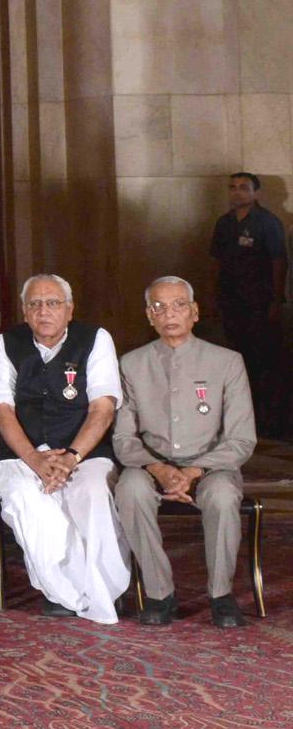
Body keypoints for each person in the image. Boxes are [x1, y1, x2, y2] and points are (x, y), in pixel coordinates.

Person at [0, 274, 127, 624]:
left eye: (53, 303)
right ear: (25, 312)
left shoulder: (96, 339)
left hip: (84, 453)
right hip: (24, 455)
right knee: (27, 498)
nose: (44, 311)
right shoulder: (6, 343)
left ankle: (104, 589)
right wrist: (33, 459)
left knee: (92, 494)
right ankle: (62, 591)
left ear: (69, 310)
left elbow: (102, 409)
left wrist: (71, 457)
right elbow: (2, 410)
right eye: (35, 304)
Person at [115, 276, 257, 629]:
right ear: (149, 315)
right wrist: (159, 469)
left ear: (194, 312)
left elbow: (241, 438)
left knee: (223, 496)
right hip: (150, 465)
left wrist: (195, 472)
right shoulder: (131, 364)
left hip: (212, 467)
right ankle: (160, 594)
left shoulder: (227, 362)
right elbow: (123, 438)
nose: (169, 313)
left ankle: (221, 595)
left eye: (179, 305)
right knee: (129, 489)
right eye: (159, 307)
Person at [209, 172, 287, 435]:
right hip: (232, 302)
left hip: (260, 303)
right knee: (236, 358)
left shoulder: (267, 222)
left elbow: (279, 262)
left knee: (263, 360)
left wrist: (276, 301)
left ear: (256, 193)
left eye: (244, 188)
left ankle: (268, 421)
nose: (237, 192)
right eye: (232, 188)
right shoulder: (224, 223)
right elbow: (217, 261)